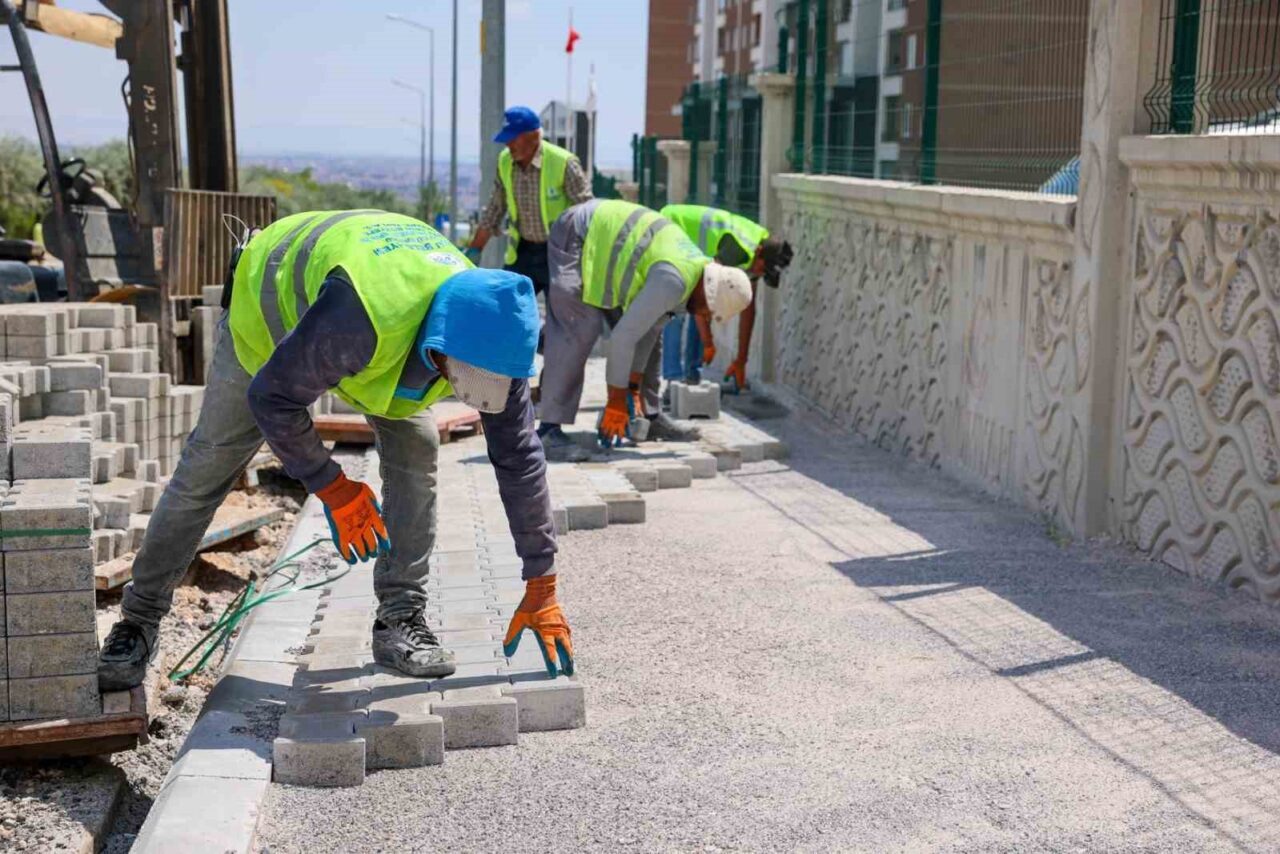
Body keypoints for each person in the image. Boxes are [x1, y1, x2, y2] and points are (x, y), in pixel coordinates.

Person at [98, 210, 574, 690]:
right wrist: (334, 487)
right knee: (209, 466)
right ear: (442, 345)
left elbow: (520, 459)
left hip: (379, 331)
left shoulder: (493, 336)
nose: (478, 392)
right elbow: (273, 399)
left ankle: (400, 619)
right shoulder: (366, 316)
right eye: (468, 377)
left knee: (418, 450)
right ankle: (137, 622)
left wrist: (542, 581)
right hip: (267, 312)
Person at [536, 199, 753, 462]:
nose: (705, 317)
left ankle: (648, 417)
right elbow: (621, 340)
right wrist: (616, 400)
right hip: (579, 233)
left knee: (650, 334)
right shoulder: (674, 281)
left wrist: (632, 389)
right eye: (709, 311)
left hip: (608, 252)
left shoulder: (691, 280)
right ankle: (548, 432)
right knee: (580, 326)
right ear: (708, 293)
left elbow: (647, 333)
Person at [658, 204, 793, 392]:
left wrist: (741, 360)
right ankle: (673, 382)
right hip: (673, 227)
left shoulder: (759, 250)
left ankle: (691, 378)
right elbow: (703, 292)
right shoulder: (738, 250)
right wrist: (708, 342)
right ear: (760, 253)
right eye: (763, 270)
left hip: (692, 240)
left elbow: (748, 307)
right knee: (678, 306)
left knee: (702, 309)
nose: (759, 274)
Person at [469, 105, 593, 299]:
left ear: (534, 136)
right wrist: (475, 249)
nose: (508, 145)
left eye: (513, 139)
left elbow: (588, 212)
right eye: (506, 140)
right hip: (524, 251)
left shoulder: (563, 163)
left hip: (559, 254)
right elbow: (495, 208)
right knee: (506, 305)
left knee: (562, 317)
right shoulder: (505, 162)